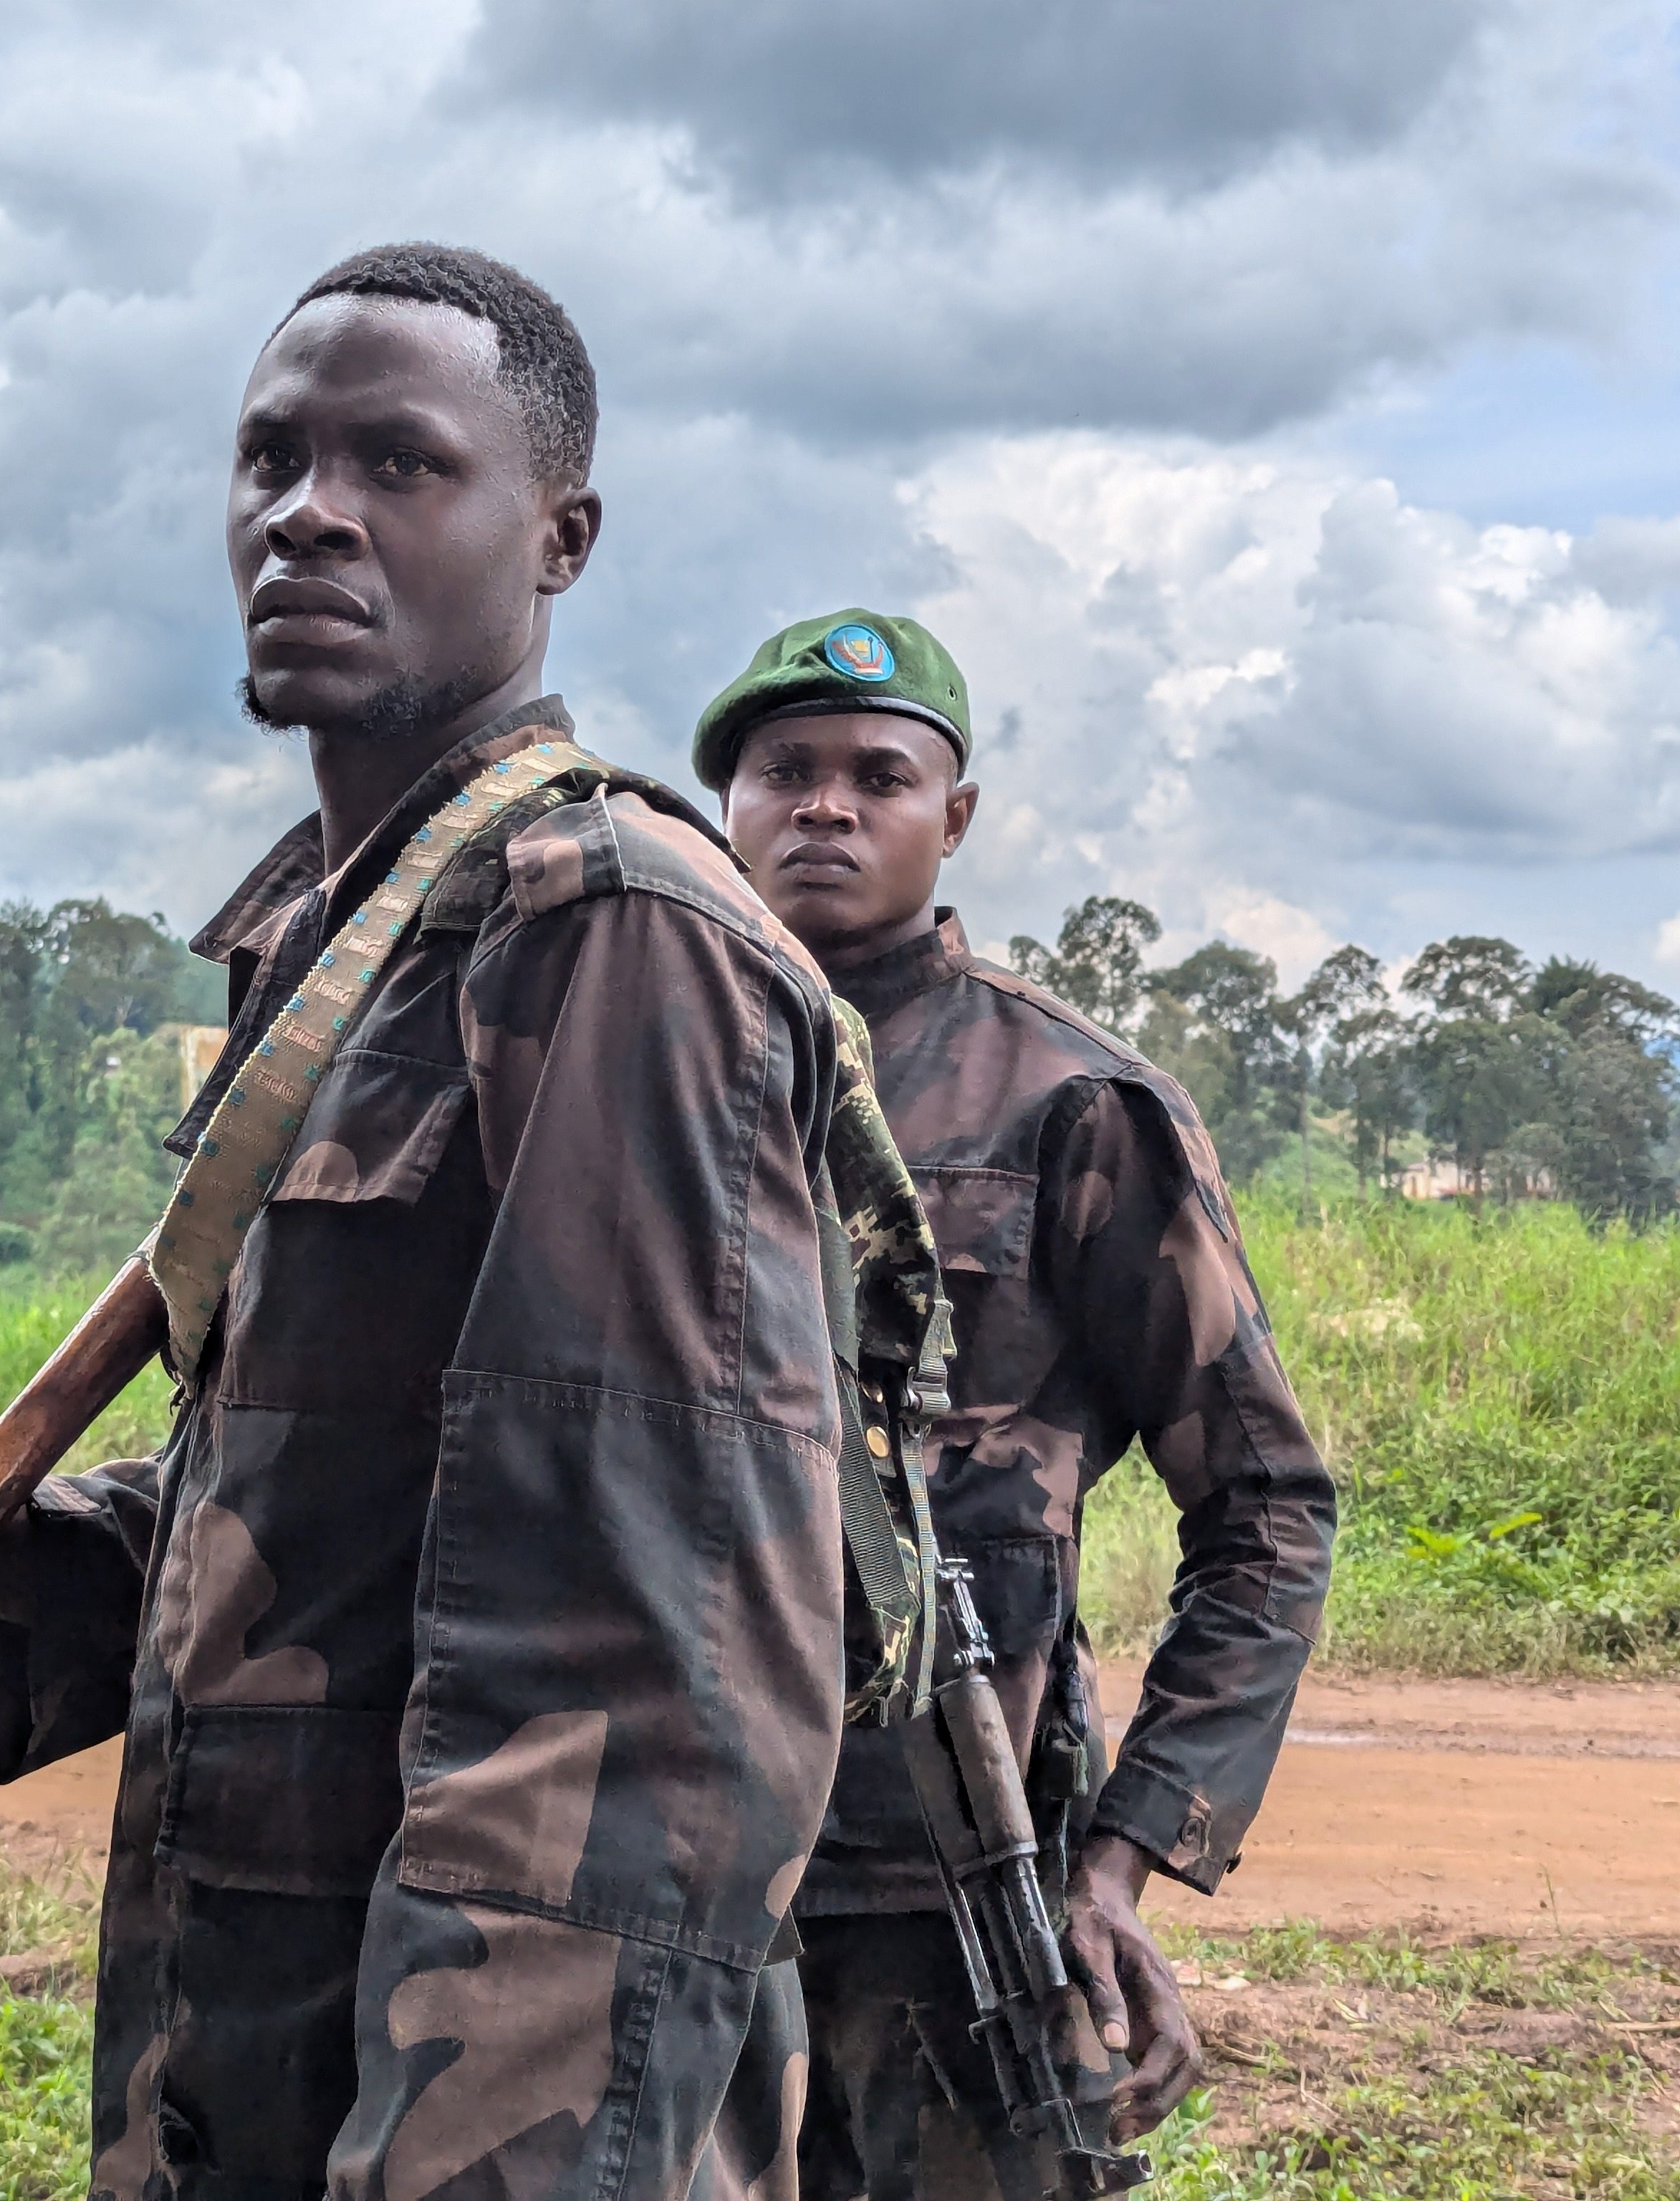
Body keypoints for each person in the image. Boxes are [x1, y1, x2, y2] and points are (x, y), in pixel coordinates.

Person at [0, 246, 860, 2200]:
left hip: (466, 2115)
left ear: (561, 537)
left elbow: (645, 1671)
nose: (308, 513)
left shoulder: (606, 930)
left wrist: (479, 2157)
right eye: (269, 458)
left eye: (400, 464)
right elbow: (354, 1497)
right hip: (269, 2058)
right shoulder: (344, 936)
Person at [696, 610, 1339, 2199]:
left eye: (877, 776)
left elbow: (1267, 1508)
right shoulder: (641, 1076)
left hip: (950, 1880)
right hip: (664, 1867)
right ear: (730, 806)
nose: (824, 807)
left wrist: (1125, 1860)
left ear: (953, 815)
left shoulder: (1071, 1106)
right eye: (784, 771)